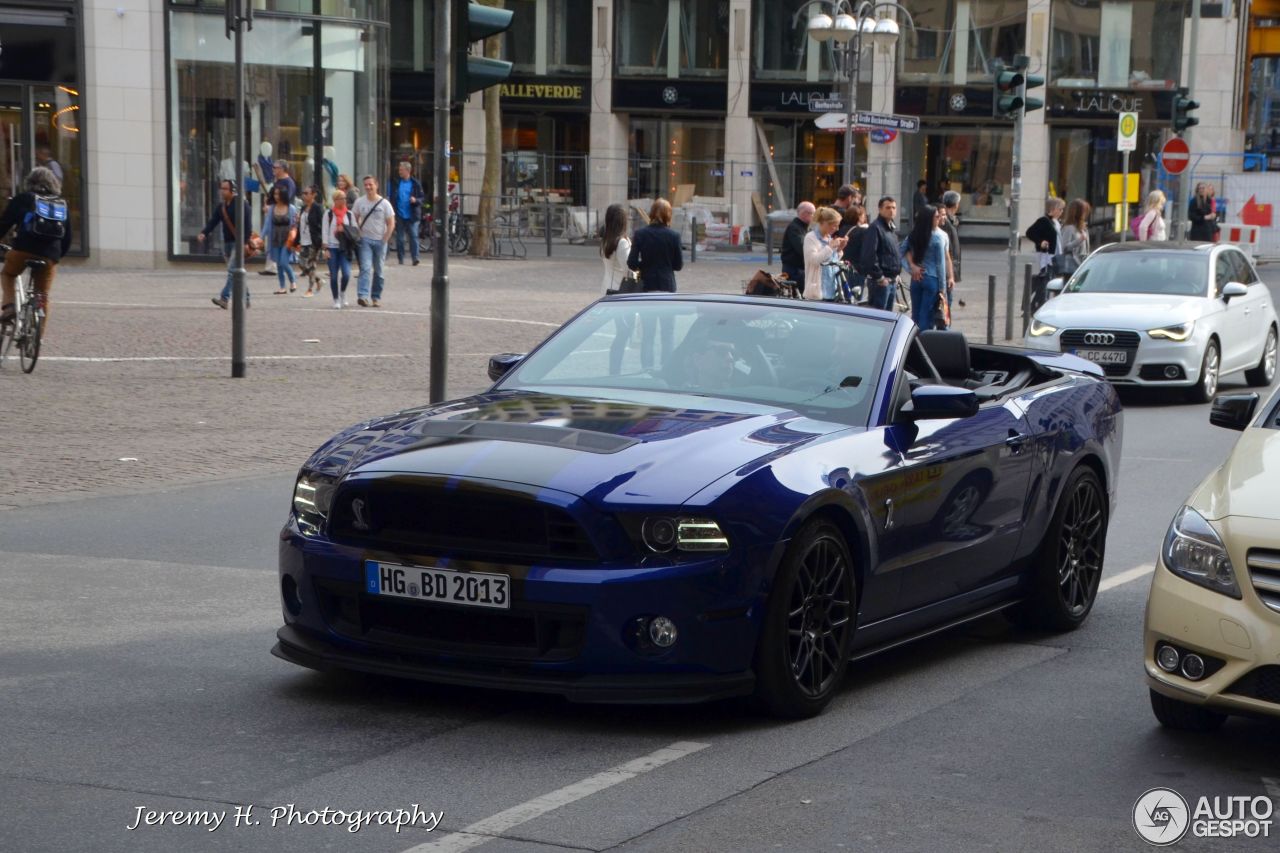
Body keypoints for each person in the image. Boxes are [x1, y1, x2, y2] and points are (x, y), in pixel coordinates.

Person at [0, 166, 73, 327]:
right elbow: (67, 239)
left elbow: (4, 224)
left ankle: (9, 306)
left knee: (7, 274)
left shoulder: (23, 198)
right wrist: (55, 258)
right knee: (43, 295)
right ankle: (37, 341)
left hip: (22, 250)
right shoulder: (62, 205)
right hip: (49, 256)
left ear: (29, 182)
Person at [626, 198, 683, 370]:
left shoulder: (641, 234)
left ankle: (647, 367)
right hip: (667, 285)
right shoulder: (673, 236)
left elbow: (631, 262)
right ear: (668, 215)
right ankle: (666, 366)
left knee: (648, 332)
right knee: (668, 332)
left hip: (648, 284)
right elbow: (678, 265)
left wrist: (645, 266)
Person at [197, 178, 254, 310]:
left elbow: (248, 225)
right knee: (236, 273)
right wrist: (204, 233)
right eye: (221, 188)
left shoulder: (242, 204)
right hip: (227, 242)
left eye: (225, 189)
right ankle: (246, 298)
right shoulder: (222, 206)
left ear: (232, 190)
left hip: (239, 242)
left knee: (232, 271)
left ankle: (224, 298)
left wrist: (245, 242)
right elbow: (214, 221)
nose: (222, 191)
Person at [902, 205, 955, 330]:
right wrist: (942, 289)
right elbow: (940, 264)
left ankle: (913, 341)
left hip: (916, 278)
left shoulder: (914, 234)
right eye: (936, 216)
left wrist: (911, 267)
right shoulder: (939, 238)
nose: (939, 218)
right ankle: (924, 343)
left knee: (916, 315)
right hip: (932, 279)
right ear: (929, 219)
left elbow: (901, 251)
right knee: (927, 316)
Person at [599, 203, 633, 374]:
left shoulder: (607, 240)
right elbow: (629, 267)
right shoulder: (621, 242)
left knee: (622, 333)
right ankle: (615, 369)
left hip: (608, 287)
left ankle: (615, 368)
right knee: (624, 334)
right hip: (621, 290)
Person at [352, 176, 395, 307]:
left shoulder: (385, 204)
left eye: (370, 184)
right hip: (365, 240)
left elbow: (391, 223)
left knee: (379, 271)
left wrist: (385, 239)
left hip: (380, 241)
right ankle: (363, 296)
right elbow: (354, 218)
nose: (368, 187)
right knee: (365, 268)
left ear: (376, 185)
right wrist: (358, 233)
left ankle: (375, 297)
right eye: (366, 185)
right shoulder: (360, 202)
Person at [859, 196, 903, 312]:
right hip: (880, 282)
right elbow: (869, 255)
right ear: (880, 209)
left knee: (887, 318)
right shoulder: (875, 228)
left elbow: (893, 253)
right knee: (878, 317)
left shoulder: (891, 229)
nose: (891, 210)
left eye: (894, 208)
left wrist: (897, 274)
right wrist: (879, 277)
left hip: (892, 280)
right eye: (887, 207)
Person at [802, 207, 848, 301]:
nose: (837, 229)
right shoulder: (811, 238)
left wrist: (839, 250)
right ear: (825, 223)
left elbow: (831, 262)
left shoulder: (829, 238)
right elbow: (814, 260)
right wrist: (830, 247)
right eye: (835, 225)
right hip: (816, 292)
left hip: (831, 290)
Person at [388, 161, 425, 265]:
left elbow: (422, 198)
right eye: (399, 170)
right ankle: (401, 258)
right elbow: (392, 198)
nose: (399, 172)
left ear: (408, 171)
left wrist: (415, 200)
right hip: (400, 215)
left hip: (412, 215)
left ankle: (415, 258)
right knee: (400, 238)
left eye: (401, 170)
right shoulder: (396, 182)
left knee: (413, 236)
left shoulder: (415, 183)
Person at [323, 190, 355, 309]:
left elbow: (354, 230)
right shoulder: (329, 214)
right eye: (341, 198)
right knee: (333, 275)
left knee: (346, 274)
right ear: (335, 200)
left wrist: (344, 229)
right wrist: (325, 249)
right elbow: (325, 231)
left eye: (345, 198)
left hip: (345, 247)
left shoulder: (349, 214)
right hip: (332, 247)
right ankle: (336, 299)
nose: (344, 200)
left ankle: (343, 292)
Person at [265, 185, 299, 294]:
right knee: (279, 263)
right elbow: (267, 224)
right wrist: (261, 237)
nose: (276, 196)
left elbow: (295, 224)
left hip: (287, 238)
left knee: (284, 262)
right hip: (275, 238)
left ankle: (293, 281)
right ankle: (282, 287)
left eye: (278, 194)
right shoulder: (272, 208)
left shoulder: (291, 208)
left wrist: (296, 240)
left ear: (283, 195)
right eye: (275, 194)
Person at [296, 185, 325, 296]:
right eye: (303, 193)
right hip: (304, 240)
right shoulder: (303, 208)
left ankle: (310, 289)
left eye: (306, 193)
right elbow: (300, 225)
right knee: (301, 264)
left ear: (313, 195)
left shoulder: (318, 207)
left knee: (311, 265)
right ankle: (318, 280)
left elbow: (322, 224)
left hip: (314, 241)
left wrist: (322, 240)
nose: (304, 195)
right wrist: (296, 240)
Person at [780, 201, 814, 291]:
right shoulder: (794, 228)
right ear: (804, 214)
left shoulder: (805, 227)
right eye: (812, 213)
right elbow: (802, 248)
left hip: (800, 269)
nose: (814, 216)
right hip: (794, 270)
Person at [1026, 197, 1064, 274]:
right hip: (1047, 256)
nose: (1062, 211)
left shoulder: (1056, 222)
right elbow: (1029, 233)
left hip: (1056, 254)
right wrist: (1040, 242)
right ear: (1052, 209)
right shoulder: (1043, 220)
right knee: (1048, 276)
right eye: (1060, 209)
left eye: (1062, 209)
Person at [1059, 198, 1092, 267]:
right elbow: (1064, 248)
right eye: (1084, 211)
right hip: (1072, 266)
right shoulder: (1069, 228)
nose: (1085, 214)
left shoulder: (1083, 228)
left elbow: (1086, 250)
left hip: (1083, 265)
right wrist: (1079, 240)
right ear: (1077, 212)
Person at [939, 190, 962, 283]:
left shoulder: (952, 220)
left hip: (950, 266)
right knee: (946, 295)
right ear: (956, 205)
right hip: (947, 268)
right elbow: (945, 247)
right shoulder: (945, 221)